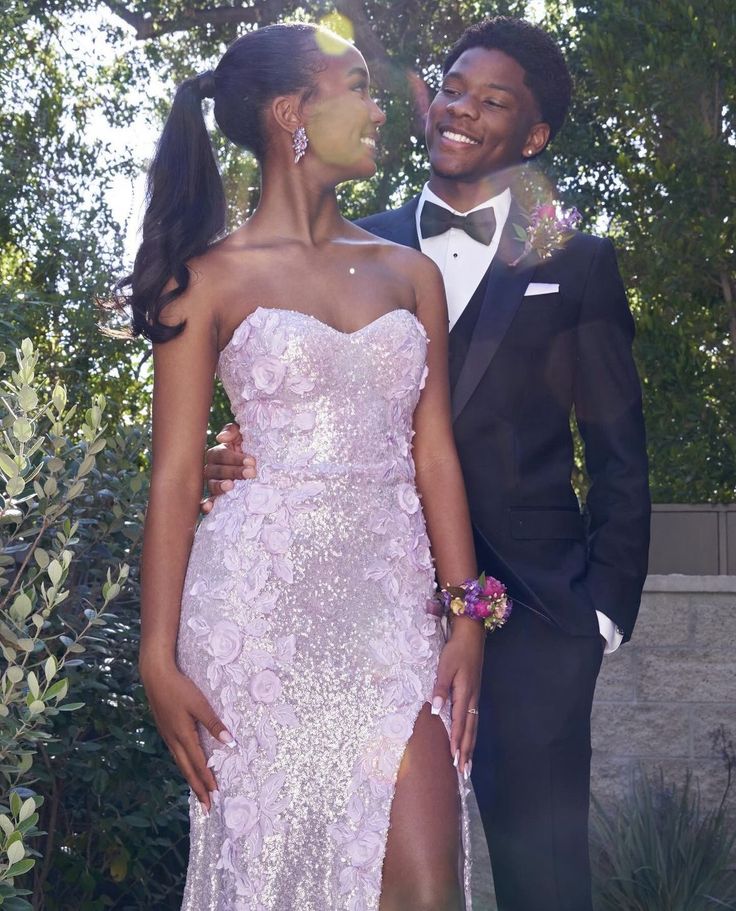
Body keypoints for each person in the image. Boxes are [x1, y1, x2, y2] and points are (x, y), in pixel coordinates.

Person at [205, 17, 651, 911]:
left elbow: (619, 453)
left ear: (532, 137)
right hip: (367, 605)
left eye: (494, 101)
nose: (460, 109)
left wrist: (598, 618)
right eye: (451, 86)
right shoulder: (355, 240)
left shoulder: (577, 258)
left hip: (534, 620)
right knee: (368, 870)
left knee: (545, 889)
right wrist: (235, 456)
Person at [129, 21, 491, 911]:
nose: (381, 109)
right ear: (294, 112)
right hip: (259, 613)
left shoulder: (411, 274)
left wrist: (469, 613)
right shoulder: (206, 278)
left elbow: (435, 453)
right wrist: (155, 653)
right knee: (279, 874)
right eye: (359, 87)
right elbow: (176, 476)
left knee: (427, 881)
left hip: (391, 611)